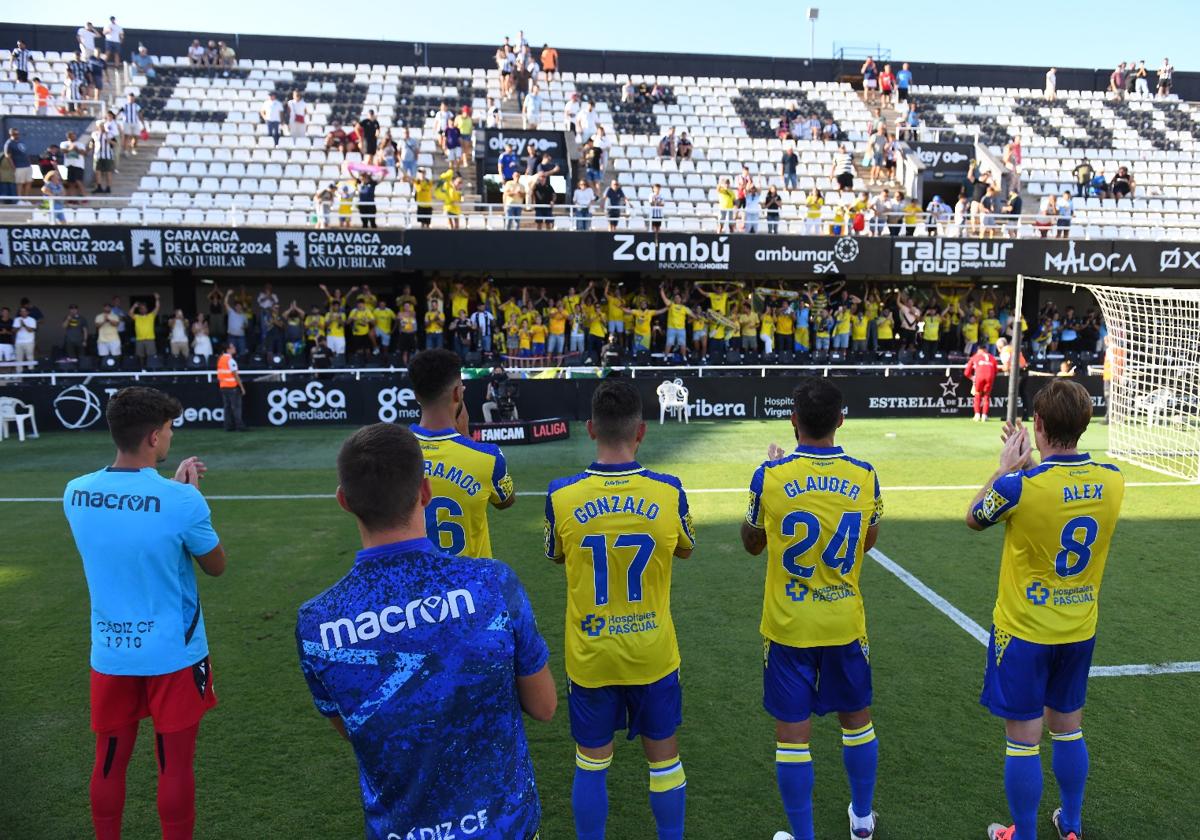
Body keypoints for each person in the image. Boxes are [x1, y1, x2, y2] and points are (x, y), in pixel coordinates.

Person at [296, 423, 555, 840]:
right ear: (426, 491)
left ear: (344, 501)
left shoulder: (317, 622)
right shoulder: (492, 584)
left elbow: (359, 729)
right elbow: (544, 707)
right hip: (505, 827)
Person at [63, 386, 226, 840]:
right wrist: (187, 498)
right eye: (170, 429)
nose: (171, 437)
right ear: (155, 437)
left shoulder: (75, 493)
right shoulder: (183, 503)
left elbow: (129, 517)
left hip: (111, 653)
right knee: (173, 766)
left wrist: (168, 490)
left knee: (110, 761)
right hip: (174, 655)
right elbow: (215, 566)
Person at [967, 379, 1126, 840]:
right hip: (1079, 628)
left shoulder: (1018, 486)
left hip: (1023, 632)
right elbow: (1062, 493)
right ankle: (1071, 826)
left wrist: (1005, 468)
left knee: (1023, 743)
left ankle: (1025, 835)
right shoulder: (1113, 480)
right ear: (1084, 423)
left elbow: (975, 516)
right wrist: (1032, 466)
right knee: (1068, 730)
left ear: (1037, 424)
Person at [544, 379, 695, 840]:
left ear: (590, 428)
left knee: (591, 764)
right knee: (665, 762)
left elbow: (555, 555)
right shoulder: (669, 491)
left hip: (592, 656)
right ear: (642, 431)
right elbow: (686, 549)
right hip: (652, 652)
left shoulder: (561, 495)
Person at [741, 377, 883, 840]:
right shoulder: (864, 474)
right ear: (841, 421)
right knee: (857, 725)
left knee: (793, 741)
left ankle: (803, 836)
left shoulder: (770, 476)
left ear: (792, 420)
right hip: (843, 621)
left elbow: (751, 543)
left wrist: (775, 481)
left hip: (789, 626)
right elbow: (868, 541)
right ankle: (862, 821)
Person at [407, 349, 516, 558]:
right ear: (458, 393)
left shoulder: (393, 455)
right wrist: (465, 438)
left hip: (419, 588)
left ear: (416, 396)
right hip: (473, 588)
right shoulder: (487, 457)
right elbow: (506, 501)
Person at [216, 342, 247, 432]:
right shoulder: (230, 360)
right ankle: (239, 426)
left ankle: (228, 426)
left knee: (227, 407)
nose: (234, 348)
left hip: (223, 386)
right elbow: (235, 375)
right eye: (232, 347)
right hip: (232, 386)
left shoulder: (221, 359)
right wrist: (242, 387)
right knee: (236, 407)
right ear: (228, 349)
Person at [964, 345, 998, 422]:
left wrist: (973, 378)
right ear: (986, 350)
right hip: (990, 376)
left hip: (979, 377)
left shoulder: (975, 356)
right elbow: (996, 371)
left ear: (978, 350)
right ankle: (984, 416)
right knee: (986, 396)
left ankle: (977, 415)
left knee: (977, 395)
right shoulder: (992, 357)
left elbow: (966, 372)